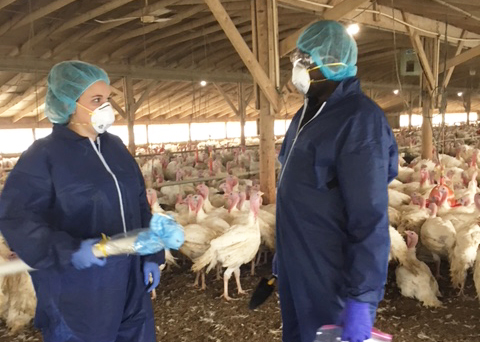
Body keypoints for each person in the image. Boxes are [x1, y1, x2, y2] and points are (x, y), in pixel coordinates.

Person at [0, 61, 164, 342]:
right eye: (96, 100)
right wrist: (70, 250)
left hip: (129, 279)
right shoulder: (44, 157)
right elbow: (17, 219)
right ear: (68, 105)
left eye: (108, 99)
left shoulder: (115, 148)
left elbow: (139, 203)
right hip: (79, 286)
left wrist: (151, 254)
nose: (106, 107)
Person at [274, 21, 398, 342]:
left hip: (330, 273)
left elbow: (369, 215)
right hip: (297, 265)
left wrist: (362, 297)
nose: (296, 67)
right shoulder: (303, 117)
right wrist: (283, 253)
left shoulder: (359, 120)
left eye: (303, 59)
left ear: (327, 63)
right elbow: (296, 191)